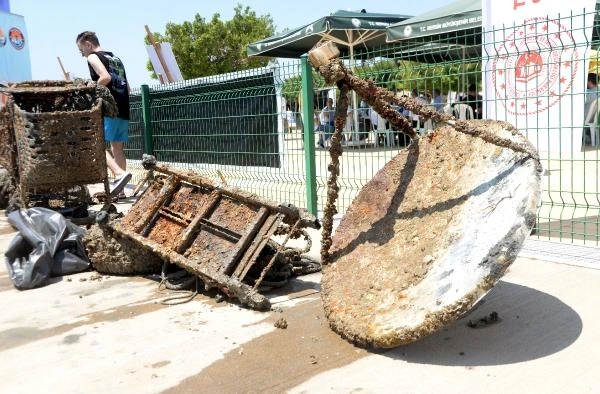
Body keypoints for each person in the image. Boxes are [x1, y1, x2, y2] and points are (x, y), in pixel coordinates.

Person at [76, 31, 131, 198]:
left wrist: (88, 93)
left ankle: (118, 174)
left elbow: (105, 78)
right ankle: (120, 190)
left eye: (81, 50)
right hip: (123, 106)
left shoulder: (93, 57)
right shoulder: (116, 58)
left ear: (88, 43)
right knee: (117, 149)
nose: (82, 54)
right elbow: (128, 87)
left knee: (95, 144)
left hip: (109, 107)